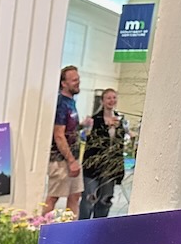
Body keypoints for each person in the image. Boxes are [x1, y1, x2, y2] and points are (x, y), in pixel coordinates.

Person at [79, 88, 130, 219]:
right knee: (89, 200)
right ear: (102, 101)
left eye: (114, 98)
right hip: (93, 167)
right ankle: (83, 226)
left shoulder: (121, 121)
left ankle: (99, 227)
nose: (111, 100)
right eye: (108, 98)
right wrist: (104, 126)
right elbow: (88, 138)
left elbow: (120, 146)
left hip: (109, 169)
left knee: (105, 201)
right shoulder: (93, 120)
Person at [43, 65, 83, 215]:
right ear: (64, 83)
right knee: (53, 197)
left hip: (73, 158)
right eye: (74, 80)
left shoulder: (71, 102)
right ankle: (39, 229)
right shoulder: (61, 103)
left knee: (75, 195)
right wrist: (71, 160)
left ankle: (72, 230)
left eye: (78, 79)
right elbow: (59, 135)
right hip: (61, 159)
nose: (78, 82)